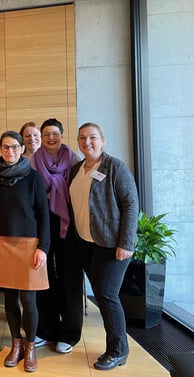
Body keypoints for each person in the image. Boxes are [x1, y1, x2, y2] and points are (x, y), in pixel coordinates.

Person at [69, 123, 138, 371]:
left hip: (111, 245)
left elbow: (131, 204)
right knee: (101, 294)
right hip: (85, 242)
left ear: (103, 140)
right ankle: (117, 347)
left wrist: (126, 243)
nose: (87, 142)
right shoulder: (76, 169)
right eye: (82, 138)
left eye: (93, 138)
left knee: (107, 296)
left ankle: (118, 351)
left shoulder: (115, 167)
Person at [0, 131, 50, 372]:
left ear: (22, 149)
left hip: (29, 245)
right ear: (0, 149)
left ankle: (31, 346)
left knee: (28, 299)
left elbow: (44, 215)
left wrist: (43, 247)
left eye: (14, 147)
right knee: (10, 299)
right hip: (2, 243)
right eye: (5, 147)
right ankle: (16, 344)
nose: (10, 151)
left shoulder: (33, 177)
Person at [31, 118, 83, 354]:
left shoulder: (74, 159)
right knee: (44, 275)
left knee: (69, 276)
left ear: (62, 135)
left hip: (69, 223)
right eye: (46, 134)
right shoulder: (34, 160)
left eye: (55, 133)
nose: (50, 138)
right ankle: (46, 330)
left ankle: (69, 334)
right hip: (43, 222)